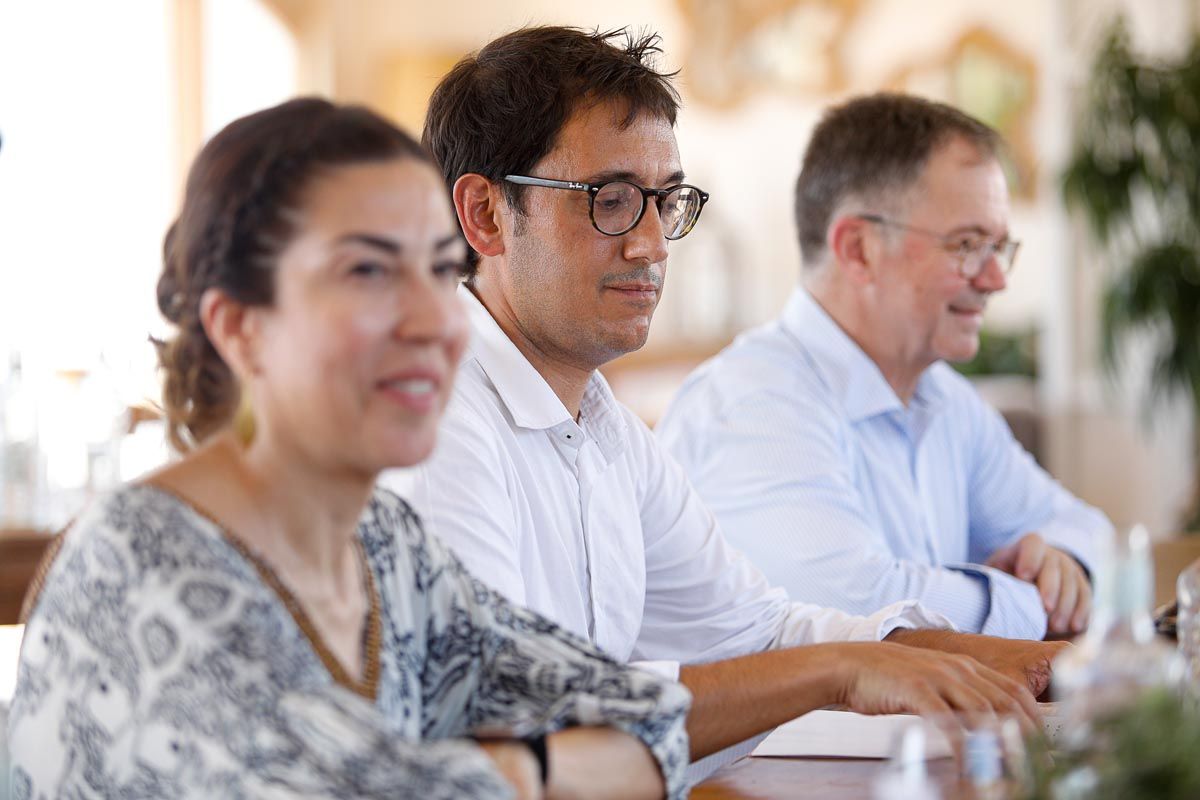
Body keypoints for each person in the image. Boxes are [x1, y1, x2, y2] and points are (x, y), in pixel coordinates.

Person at [387, 26, 1054, 776]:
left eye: (664, 202)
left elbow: (757, 632)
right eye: (609, 200)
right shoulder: (430, 417)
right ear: (483, 215)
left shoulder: (603, 428)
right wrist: (840, 671)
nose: (651, 244)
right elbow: (504, 715)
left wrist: (1042, 666)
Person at [7, 98, 691, 800]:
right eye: (368, 272)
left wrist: (510, 773)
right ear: (241, 328)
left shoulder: (386, 548)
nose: (436, 320)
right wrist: (528, 773)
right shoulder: (136, 564)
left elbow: (656, 721)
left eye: (438, 269)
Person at [658, 93, 1110, 642]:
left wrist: (1062, 562)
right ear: (859, 248)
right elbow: (862, 610)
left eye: (999, 248)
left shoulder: (944, 398)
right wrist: (1031, 601)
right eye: (968, 245)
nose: (996, 280)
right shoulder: (751, 402)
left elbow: (1094, 535)